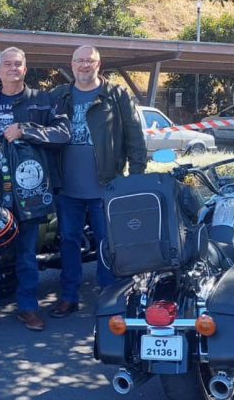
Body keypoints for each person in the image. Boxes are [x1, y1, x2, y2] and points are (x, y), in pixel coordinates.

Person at [0, 47, 70, 332]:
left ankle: (28, 308)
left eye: (18, 64)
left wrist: (26, 130)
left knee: (27, 254)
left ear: (25, 69)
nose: (13, 68)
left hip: (29, 191)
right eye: (7, 64)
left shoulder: (43, 100)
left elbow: (63, 133)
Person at [48, 45, 146, 318]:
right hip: (67, 188)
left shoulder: (117, 95)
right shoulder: (59, 95)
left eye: (89, 61)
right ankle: (69, 296)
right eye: (79, 60)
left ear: (98, 64)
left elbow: (135, 138)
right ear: (72, 64)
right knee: (68, 242)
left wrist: (135, 179)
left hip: (107, 186)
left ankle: (109, 298)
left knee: (108, 243)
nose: (84, 65)